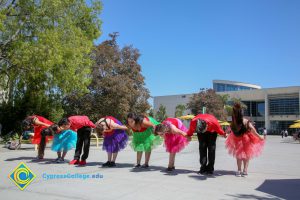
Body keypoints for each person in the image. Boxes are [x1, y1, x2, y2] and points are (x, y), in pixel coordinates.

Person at [225, 103, 265, 177]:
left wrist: (226, 134)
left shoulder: (234, 122)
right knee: (247, 155)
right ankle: (245, 171)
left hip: (236, 139)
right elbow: (253, 131)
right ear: (241, 113)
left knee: (239, 155)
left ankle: (239, 171)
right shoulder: (246, 121)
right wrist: (260, 137)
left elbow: (228, 130)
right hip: (246, 139)